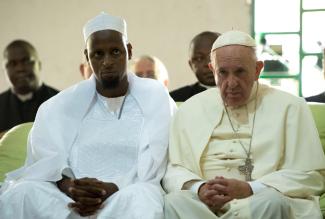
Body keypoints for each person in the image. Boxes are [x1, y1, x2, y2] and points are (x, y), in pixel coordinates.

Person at [0, 12, 176, 219]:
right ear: (87, 57)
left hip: (126, 192)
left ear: (128, 51)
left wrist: (112, 187)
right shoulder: (59, 105)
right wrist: (70, 187)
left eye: (115, 52)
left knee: (144, 198)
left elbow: (159, 159)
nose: (107, 61)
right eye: (98, 54)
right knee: (21, 193)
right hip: (69, 198)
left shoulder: (155, 97)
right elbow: (46, 161)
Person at [163, 30, 325, 219]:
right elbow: (173, 169)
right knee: (174, 201)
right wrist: (199, 188)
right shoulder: (190, 109)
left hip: (259, 200)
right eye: (222, 73)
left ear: (257, 69)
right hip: (204, 205)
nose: (231, 83)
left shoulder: (291, 106)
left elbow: (311, 175)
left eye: (240, 72)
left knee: (272, 202)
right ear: (212, 69)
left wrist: (250, 188)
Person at [0, 40, 59, 133]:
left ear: (39, 65)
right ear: (4, 70)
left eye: (26, 61)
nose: (20, 69)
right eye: (12, 64)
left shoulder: (59, 101)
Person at [170, 31, 220, 102]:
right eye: (199, 58)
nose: (208, 64)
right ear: (191, 65)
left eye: (214, 56)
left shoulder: (240, 94)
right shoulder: (174, 100)